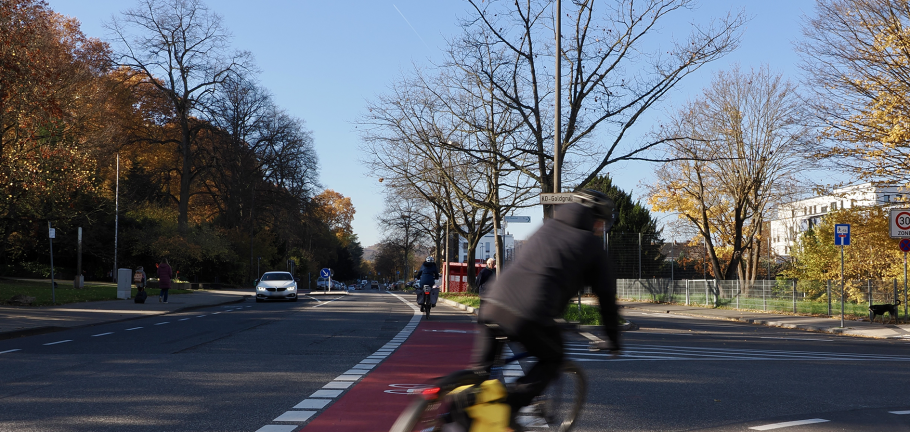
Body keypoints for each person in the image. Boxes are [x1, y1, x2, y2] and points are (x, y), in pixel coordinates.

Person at [470, 189, 621, 430]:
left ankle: (457, 411)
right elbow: (606, 297)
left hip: (493, 303)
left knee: (478, 376)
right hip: (529, 314)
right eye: (603, 223)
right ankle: (508, 408)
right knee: (553, 358)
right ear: (596, 219)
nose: (602, 229)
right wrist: (613, 338)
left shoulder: (547, 228)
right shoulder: (591, 244)